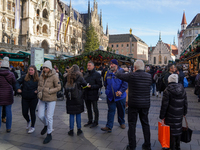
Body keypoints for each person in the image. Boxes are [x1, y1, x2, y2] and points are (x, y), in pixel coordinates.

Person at [116, 60, 152, 150]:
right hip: (145, 104)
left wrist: (122, 70)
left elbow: (118, 75)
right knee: (145, 124)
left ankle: (132, 146)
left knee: (132, 125)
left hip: (134, 104)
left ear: (134, 68)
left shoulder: (131, 75)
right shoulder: (149, 76)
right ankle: (147, 145)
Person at [160, 74, 188, 150]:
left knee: (171, 131)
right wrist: (184, 112)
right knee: (178, 129)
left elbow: (164, 105)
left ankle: (171, 147)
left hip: (170, 114)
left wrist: (162, 116)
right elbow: (185, 102)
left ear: (169, 80)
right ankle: (178, 146)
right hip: (179, 113)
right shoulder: (182, 89)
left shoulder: (167, 90)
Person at [37, 60, 61, 144]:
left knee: (49, 116)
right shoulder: (41, 75)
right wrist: (39, 90)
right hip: (42, 98)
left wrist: (50, 90)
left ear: (50, 68)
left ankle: (49, 134)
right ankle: (46, 125)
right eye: (44, 67)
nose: (45, 69)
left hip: (51, 99)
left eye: (46, 67)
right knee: (40, 115)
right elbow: (39, 85)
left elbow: (59, 87)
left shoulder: (54, 76)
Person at [101, 59, 128, 133]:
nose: (111, 65)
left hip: (120, 97)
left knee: (121, 110)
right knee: (111, 111)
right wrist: (107, 91)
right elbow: (105, 83)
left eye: (113, 64)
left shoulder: (122, 72)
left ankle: (122, 122)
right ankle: (109, 126)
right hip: (111, 96)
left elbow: (125, 84)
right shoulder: (108, 73)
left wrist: (121, 91)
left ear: (116, 65)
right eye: (110, 64)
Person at [65, 65, 87, 136]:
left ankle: (71, 130)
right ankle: (79, 130)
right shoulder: (79, 77)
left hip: (70, 97)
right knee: (78, 114)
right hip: (78, 97)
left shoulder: (67, 77)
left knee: (71, 114)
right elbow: (85, 84)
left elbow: (64, 86)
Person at [16, 65, 39, 134]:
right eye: (29, 70)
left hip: (33, 98)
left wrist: (37, 90)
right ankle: (28, 120)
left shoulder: (38, 79)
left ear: (35, 71)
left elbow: (41, 86)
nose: (30, 71)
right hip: (25, 97)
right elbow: (17, 82)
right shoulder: (24, 77)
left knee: (32, 112)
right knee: (24, 112)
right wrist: (18, 88)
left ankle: (32, 126)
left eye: (32, 70)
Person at [83, 61, 102, 128]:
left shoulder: (97, 74)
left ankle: (96, 121)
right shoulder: (86, 74)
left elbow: (100, 85)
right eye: (87, 65)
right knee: (88, 109)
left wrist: (92, 86)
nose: (88, 67)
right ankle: (90, 120)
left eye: (90, 65)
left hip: (93, 94)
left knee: (95, 108)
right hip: (86, 94)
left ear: (93, 66)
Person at [0, 57, 16, 132]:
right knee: (8, 111)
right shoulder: (11, 74)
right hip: (8, 95)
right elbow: (14, 82)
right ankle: (8, 127)